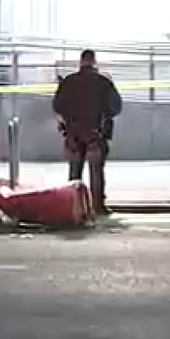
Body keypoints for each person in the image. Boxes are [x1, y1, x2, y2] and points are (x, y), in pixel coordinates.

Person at [53, 49, 123, 216]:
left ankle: (74, 206)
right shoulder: (103, 82)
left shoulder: (69, 82)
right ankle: (97, 206)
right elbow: (116, 107)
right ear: (94, 61)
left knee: (74, 172)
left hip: (73, 133)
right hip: (96, 133)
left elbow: (57, 106)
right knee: (96, 171)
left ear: (81, 61)